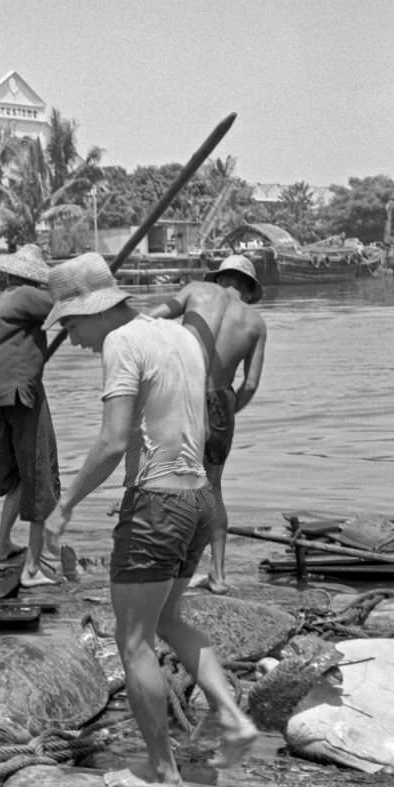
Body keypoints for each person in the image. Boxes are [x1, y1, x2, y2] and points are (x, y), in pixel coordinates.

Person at [43, 252, 257, 787]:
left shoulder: (121, 343)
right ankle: (232, 714)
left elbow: (114, 440)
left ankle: (162, 771)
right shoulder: (180, 336)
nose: (70, 338)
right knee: (170, 620)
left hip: (160, 505)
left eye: (69, 323)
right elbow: (184, 418)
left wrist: (63, 507)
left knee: (133, 639)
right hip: (199, 500)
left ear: (93, 311)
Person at [147, 254, 266, 594]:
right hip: (219, 402)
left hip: (181, 391)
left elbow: (151, 320)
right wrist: (226, 412)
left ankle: (166, 568)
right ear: (248, 287)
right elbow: (251, 384)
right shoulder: (255, 323)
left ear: (220, 278)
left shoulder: (195, 290)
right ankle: (217, 574)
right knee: (212, 488)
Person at [0, 244, 60, 587]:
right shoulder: (26, 296)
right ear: (31, 279)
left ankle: (2, 545)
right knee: (40, 473)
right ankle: (34, 568)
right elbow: (66, 307)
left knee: (19, 475)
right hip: (19, 392)